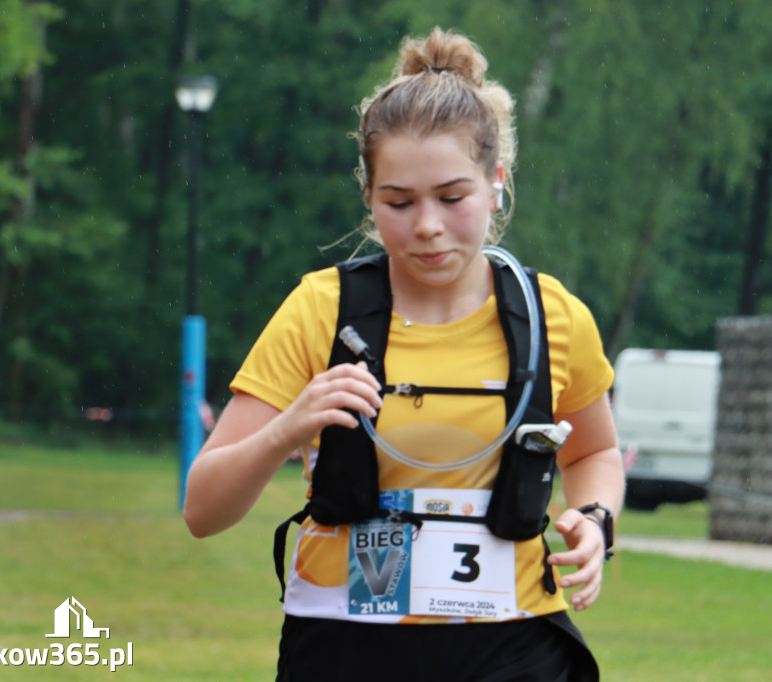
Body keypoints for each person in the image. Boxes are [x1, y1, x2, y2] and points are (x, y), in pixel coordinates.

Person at [184, 27, 624, 682]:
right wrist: (289, 427)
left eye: (452, 198)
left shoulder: (550, 314)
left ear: (495, 180)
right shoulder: (318, 310)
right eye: (399, 202)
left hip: (513, 642)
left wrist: (595, 520)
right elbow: (203, 511)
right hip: (345, 644)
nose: (426, 225)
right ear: (368, 195)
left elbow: (593, 453)